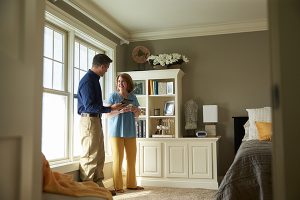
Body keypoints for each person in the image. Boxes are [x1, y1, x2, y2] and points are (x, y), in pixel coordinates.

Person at [77, 54, 123, 196]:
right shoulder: (88, 81)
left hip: (96, 120)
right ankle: (87, 191)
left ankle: (98, 187)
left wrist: (109, 109)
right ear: (102, 66)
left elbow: (94, 105)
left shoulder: (94, 80)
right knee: (90, 155)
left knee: (99, 155)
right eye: (107, 67)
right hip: (89, 120)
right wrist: (111, 108)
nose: (107, 71)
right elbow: (90, 106)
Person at [107, 73, 144, 193]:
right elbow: (107, 114)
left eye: (123, 81)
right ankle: (118, 187)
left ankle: (132, 184)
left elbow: (138, 115)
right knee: (118, 159)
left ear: (128, 83)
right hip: (116, 132)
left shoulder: (133, 96)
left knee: (131, 159)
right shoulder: (113, 96)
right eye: (119, 81)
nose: (120, 84)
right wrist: (120, 111)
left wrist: (135, 110)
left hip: (130, 131)